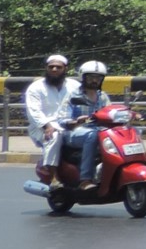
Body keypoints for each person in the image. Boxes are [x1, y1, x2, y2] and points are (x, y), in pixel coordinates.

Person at [24, 54, 79, 187]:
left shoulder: (75, 86)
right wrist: (47, 126)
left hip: (70, 124)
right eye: (51, 67)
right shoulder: (36, 87)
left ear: (65, 69)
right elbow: (34, 111)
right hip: (42, 127)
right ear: (46, 69)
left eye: (58, 67)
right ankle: (53, 176)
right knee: (54, 136)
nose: (54, 69)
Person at [64, 60, 113, 189]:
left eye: (98, 78)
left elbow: (110, 112)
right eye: (91, 77)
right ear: (83, 77)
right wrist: (76, 121)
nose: (94, 80)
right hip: (74, 132)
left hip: (99, 130)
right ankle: (85, 179)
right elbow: (62, 118)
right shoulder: (73, 95)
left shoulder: (103, 96)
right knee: (92, 135)